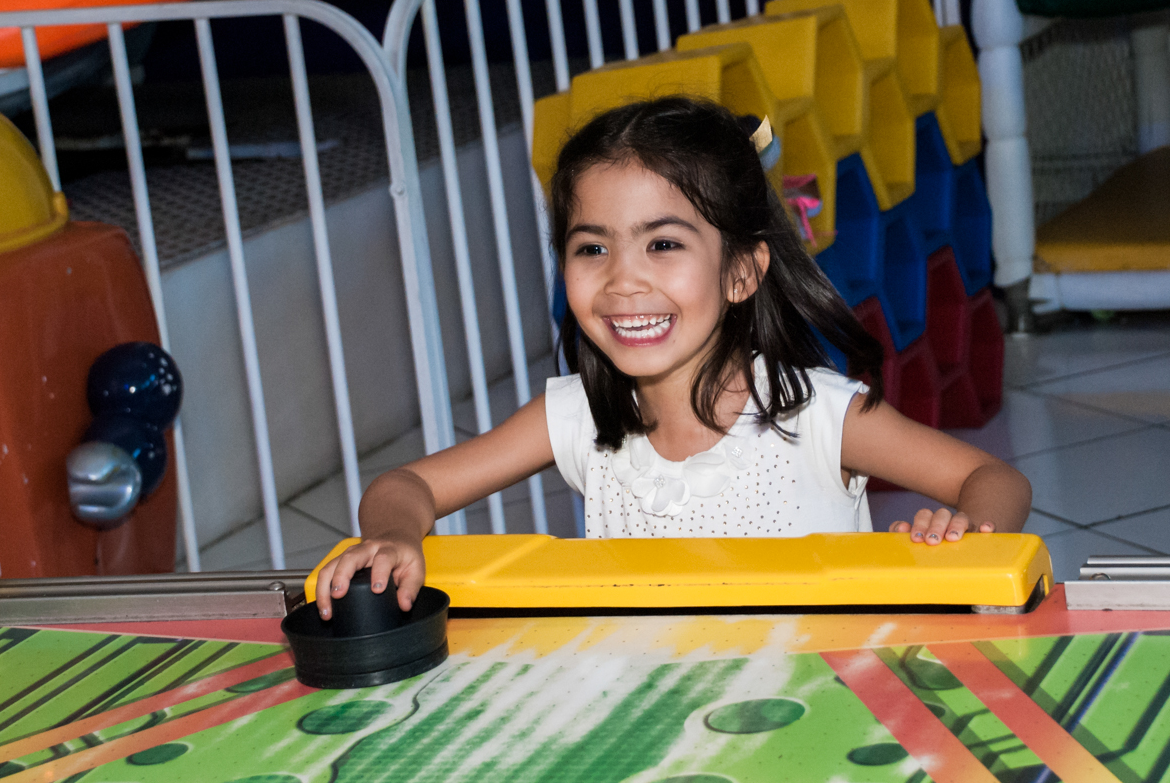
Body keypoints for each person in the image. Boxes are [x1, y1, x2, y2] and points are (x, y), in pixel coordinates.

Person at [315, 97, 1031, 617]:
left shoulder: (819, 415)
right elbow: (405, 484)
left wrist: (969, 531)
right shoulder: (576, 416)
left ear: (743, 273)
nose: (623, 279)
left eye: (663, 243)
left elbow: (990, 476)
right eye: (591, 247)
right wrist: (391, 536)